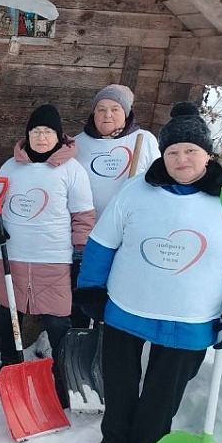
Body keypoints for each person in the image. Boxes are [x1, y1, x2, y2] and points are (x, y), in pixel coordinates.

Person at [74, 102, 222, 443]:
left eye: (190, 151)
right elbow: (101, 244)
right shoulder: (136, 191)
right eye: (173, 152)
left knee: (160, 402)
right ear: (162, 155)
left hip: (191, 321)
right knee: (119, 394)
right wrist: (92, 288)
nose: (181, 159)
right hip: (126, 310)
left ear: (208, 154)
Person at [0, 104, 95, 406]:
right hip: (11, 256)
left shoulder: (72, 170)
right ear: (27, 135)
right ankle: (10, 366)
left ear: (58, 136)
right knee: (8, 316)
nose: (41, 137)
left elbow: (83, 216)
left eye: (47, 132)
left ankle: (63, 375)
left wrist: (81, 255)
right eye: (35, 131)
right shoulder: (10, 167)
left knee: (58, 322)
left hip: (53, 258)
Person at [71, 84, 160, 327]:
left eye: (114, 109)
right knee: (84, 287)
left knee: (117, 288)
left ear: (127, 113)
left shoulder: (144, 141)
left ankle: (108, 333)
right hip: (87, 235)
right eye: (101, 109)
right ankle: (78, 333)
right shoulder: (78, 144)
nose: (107, 115)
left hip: (128, 234)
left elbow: (162, 182)